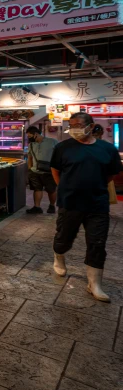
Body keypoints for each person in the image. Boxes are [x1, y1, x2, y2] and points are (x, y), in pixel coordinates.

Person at [50, 112, 122, 302]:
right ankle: (59, 256)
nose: (74, 128)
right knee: (64, 237)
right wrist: (66, 188)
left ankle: (94, 284)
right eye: (71, 125)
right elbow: (56, 171)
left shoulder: (107, 149)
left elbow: (110, 175)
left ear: (91, 126)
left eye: (78, 125)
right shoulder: (63, 148)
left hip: (97, 204)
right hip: (70, 202)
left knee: (97, 243)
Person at [25, 126, 58, 214]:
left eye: (29, 136)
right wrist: (29, 169)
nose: (29, 138)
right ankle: (37, 207)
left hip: (49, 171)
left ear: (36, 134)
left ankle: (52, 206)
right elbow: (30, 157)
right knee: (37, 189)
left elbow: (59, 155)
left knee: (51, 190)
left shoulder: (52, 142)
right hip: (35, 171)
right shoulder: (31, 144)